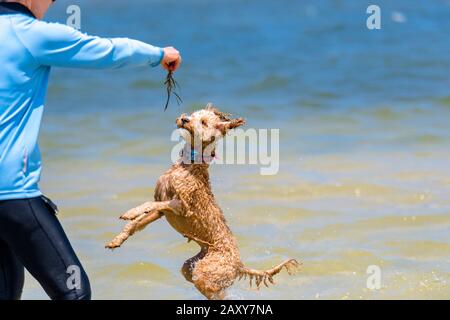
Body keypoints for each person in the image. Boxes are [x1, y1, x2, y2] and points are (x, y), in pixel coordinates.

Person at [0, 0, 181, 300]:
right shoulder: (32, 34)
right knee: (74, 292)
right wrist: (159, 55)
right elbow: (107, 51)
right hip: (13, 196)